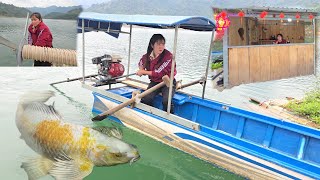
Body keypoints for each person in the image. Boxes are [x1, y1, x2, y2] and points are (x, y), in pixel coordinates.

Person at [136, 34, 177, 113]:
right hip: (155, 82)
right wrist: (141, 69)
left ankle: (171, 116)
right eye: (158, 44)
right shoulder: (148, 55)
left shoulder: (169, 56)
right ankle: (150, 113)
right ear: (152, 45)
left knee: (166, 101)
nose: (161, 47)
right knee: (146, 98)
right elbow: (141, 62)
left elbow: (159, 72)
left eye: (163, 44)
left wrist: (143, 72)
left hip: (168, 81)